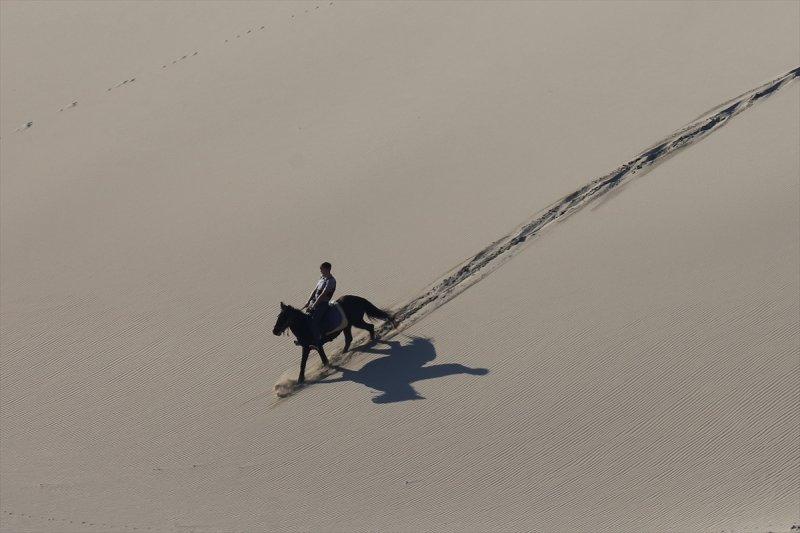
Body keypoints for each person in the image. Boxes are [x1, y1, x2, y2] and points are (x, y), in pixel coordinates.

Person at [303, 262, 336, 346]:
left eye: (322, 269)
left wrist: (314, 306)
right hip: (314, 301)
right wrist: (308, 302)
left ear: (327, 269)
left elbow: (323, 294)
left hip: (322, 303)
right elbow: (315, 290)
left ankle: (318, 340)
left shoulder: (331, 281)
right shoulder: (322, 277)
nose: (320, 270)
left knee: (314, 321)